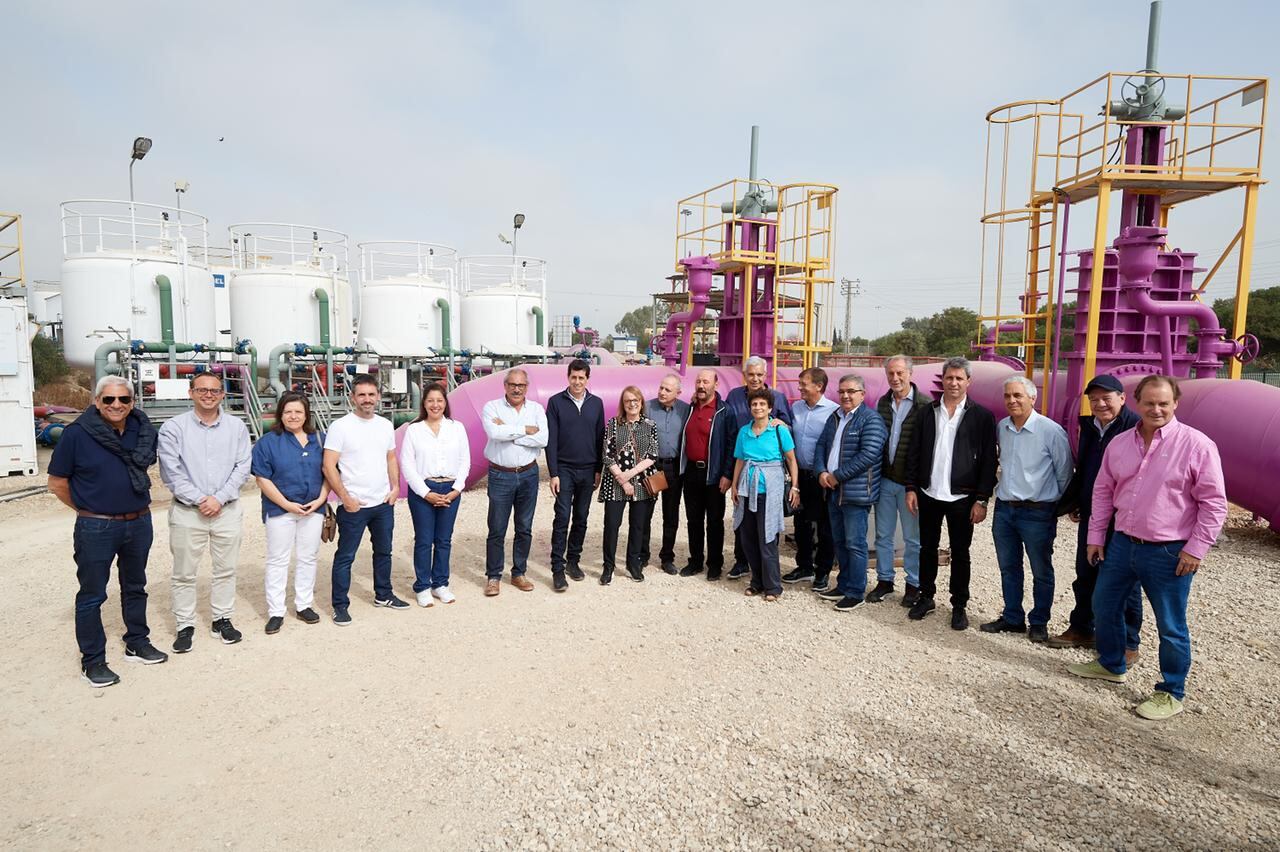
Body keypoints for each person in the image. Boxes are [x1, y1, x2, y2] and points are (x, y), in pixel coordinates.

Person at [1068, 375, 1227, 721]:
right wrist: (1096, 536)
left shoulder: (1197, 445)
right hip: (1122, 543)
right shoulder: (1121, 443)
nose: (1156, 409)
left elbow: (1214, 504)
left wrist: (1196, 549)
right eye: (1150, 403)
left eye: (1164, 403)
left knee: (1170, 624)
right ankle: (1112, 664)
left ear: (1175, 404)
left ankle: (1172, 691)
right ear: (1137, 403)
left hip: (1169, 552)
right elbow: (1103, 491)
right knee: (1104, 604)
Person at [48, 376, 167, 687]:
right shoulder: (77, 435)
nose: (117, 405)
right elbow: (57, 483)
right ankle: (93, 660)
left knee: (135, 587)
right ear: (97, 402)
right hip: (96, 525)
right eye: (109, 400)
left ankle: (136, 642)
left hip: (139, 521)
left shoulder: (142, 431)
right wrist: (89, 510)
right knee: (92, 595)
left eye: (123, 400)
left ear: (132, 403)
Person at [1048, 375, 1143, 657]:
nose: (1100, 404)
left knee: (1125, 579)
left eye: (1106, 398)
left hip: (1123, 518)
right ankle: (1082, 627)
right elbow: (1086, 468)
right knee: (1086, 572)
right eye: (1094, 399)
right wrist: (1076, 501)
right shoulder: (1090, 426)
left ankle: (1128, 642)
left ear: (1122, 398)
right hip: (1093, 514)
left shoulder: (1135, 427)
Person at [159, 371, 253, 651]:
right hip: (188, 512)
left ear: (223, 394)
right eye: (202, 390)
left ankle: (222, 619)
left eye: (214, 390)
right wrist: (201, 499)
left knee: (225, 570)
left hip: (226, 510)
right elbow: (170, 471)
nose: (208, 395)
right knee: (184, 573)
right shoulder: (174, 428)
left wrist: (219, 498)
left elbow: (243, 467)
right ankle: (184, 624)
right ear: (191, 393)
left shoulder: (236, 427)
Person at [904, 357, 997, 631]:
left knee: (961, 552)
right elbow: (914, 453)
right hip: (929, 494)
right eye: (949, 378)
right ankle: (926, 596)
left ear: (968, 382)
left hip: (962, 498)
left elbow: (989, 462)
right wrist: (911, 487)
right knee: (927, 549)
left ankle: (959, 605)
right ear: (942, 380)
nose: (954, 382)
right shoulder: (927, 413)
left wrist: (981, 498)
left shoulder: (981, 416)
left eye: (959, 378)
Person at [981, 376, 1073, 642]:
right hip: (1005, 510)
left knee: (1041, 569)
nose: (1012, 400)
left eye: (1018, 396)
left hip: (1038, 511)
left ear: (1033, 398)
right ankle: (1012, 618)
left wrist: (1052, 507)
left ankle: (1039, 621)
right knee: (1009, 567)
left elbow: (1064, 474)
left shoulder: (1050, 431)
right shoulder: (1003, 428)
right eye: (1008, 396)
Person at [323, 373, 403, 625]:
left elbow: (390, 457)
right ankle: (340, 605)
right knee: (346, 556)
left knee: (384, 551)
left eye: (371, 394)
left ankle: (384, 594)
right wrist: (345, 498)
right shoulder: (341, 427)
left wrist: (395, 487)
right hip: (354, 505)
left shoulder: (384, 424)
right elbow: (328, 466)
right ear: (352, 398)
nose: (367, 399)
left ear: (378, 396)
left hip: (382, 503)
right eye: (361, 395)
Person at [250, 391, 329, 634]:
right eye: (288, 411)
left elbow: (330, 472)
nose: (293, 416)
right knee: (278, 559)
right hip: (280, 510)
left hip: (313, 508)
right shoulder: (268, 442)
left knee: (308, 557)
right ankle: (276, 611)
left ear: (306, 415)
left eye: (298, 411)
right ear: (280, 414)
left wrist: (321, 500)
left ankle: (304, 605)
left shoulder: (321, 439)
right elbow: (262, 479)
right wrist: (286, 504)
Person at [813, 374, 887, 612]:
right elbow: (821, 446)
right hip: (833, 491)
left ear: (862, 395)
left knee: (855, 543)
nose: (845, 395)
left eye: (851, 391)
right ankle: (844, 585)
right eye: (842, 391)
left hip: (855, 493)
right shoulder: (835, 417)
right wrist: (821, 472)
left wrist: (836, 476)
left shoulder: (870, 420)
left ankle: (856, 591)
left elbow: (868, 455)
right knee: (840, 541)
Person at [401, 382, 470, 607]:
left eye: (439, 400)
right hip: (423, 490)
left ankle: (440, 583)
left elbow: (465, 461)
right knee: (423, 540)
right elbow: (407, 465)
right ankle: (422, 585)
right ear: (424, 403)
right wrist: (425, 492)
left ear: (445, 403)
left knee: (443, 540)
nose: (435, 405)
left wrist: (456, 489)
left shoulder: (456, 427)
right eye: (430, 400)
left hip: (450, 489)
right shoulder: (414, 429)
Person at [724, 356, 792, 580]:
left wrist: (782, 423)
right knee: (743, 520)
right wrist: (730, 477)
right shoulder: (733, 396)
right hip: (741, 462)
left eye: (759, 375)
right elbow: (728, 429)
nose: (755, 378)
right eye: (751, 374)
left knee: (765, 523)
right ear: (744, 375)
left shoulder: (778, 397)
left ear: (766, 375)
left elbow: (788, 425)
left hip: (767, 470)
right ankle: (742, 562)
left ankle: (768, 575)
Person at [482, 368, 548, 596]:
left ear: (527, 387)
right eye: (512, 384)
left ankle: (519, 572)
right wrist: (525, 430)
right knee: (497, 528)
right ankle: (493, 576)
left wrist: (508, 431)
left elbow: (544, 438)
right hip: (501, 475)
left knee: (524, 527)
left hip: (529, 474)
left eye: (521, 385)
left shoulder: (537, 409)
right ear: (505, 386)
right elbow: (494, 433)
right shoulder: (492, 407)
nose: (516, 389)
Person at [730, 386, 801, 600]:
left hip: (769, 490)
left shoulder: (779, 430)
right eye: (754, 404)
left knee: (768, 538)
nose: (758, 407)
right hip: (747, 489)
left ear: (770, 407)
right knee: (748, 538)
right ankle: (756, 582)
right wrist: (734, 485)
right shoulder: (744, 431)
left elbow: (791, 460)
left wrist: (795, 487)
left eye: (762, 404)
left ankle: (773, 586)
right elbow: (740, 460)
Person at [871, 355, 931, 605]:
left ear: (910, 374)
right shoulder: (883, 403)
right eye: (891, 374)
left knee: (912, 538)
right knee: (883, 535)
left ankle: (913, 584)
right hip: (885, 479)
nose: (895, 378)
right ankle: (884, 580)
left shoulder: (925, 405)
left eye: (900, 373)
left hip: (910, 485)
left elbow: (927, 448)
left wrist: (915, 485)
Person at [545, 359, 604, 592]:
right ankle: (557, 569)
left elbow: (600, 439)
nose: (577, 381)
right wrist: (553, 473)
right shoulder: (555, 402)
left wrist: (599, 469)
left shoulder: (596, 404)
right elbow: (551, 440)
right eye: (573, 377)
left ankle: (573, 561)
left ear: (587, 379)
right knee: (562, 518)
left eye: (581, 378)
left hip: (588, 469)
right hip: (565, 470)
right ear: (568, 377)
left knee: (581, 517)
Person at [783, 367, 838, 591]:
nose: (799, 387)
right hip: (800, 476)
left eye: (804, 383)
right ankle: (804, 566)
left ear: (819, 386)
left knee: (825, 526)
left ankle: (823, 571)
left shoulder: (833, 412)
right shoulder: (796, 408)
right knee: (801, 522)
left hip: (821, 477)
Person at [599, 386, 660, 583]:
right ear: (622, 404)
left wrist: (631, 475)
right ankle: (608, 566)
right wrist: (622, 479)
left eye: (636, 400)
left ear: (641, 402)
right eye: (627, 400)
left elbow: (652, 455)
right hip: (615, 482)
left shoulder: (650, 425)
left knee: (638, 525)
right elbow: (607, 456)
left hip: (641, 482)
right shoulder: (613, 424)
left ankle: (633, 564)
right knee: (611, 525)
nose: (632, 403)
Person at [678, 369, 735, 580]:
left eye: (706, 382)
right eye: (699, 381)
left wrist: (727, 474)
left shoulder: (724, 412)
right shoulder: (690, 408)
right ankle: (695, 562)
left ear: (716, 385)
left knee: (714, 521)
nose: (701, 385)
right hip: (692, 472)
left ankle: (714, 564)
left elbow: (731, 445)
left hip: (714, 474)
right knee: (693, 520)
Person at [644, 373, 690, 575]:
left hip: (674, 469)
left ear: (678, 393)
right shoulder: (648, 407)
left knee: (670, 515)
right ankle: (642, 555)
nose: (662, 392)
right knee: (644, 512)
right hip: (653, 467)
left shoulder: (685, 410)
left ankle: (667, 557)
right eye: (661, 388)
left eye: (667, 389)